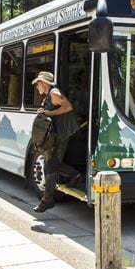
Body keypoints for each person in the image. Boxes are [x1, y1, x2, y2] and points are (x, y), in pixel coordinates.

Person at [31, 72, 82, 213]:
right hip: (57, 134)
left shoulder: (54, 92)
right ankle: (74, 175)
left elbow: (68, 106)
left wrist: (49, 113)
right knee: (51, 164)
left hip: (62, 134)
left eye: (38, 84)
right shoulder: (49, 95)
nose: (36, 87)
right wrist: (45, 111)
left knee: (50, 166)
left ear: (44, 83)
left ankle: (47, 201)